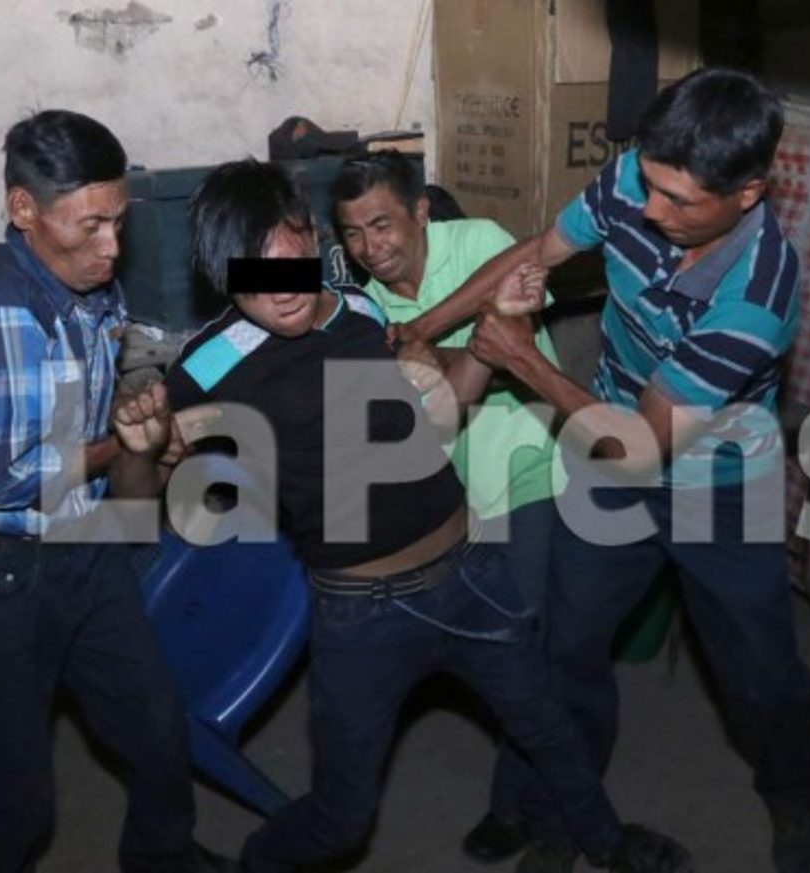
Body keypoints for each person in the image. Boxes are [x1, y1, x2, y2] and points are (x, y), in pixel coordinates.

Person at [158, 157, 692, 873]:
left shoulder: (363, 308)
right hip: (361, 612)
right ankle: (255, 863)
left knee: (548, 725)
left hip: (468, 574)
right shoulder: (205, 365)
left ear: (311, 238)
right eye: (247, 276)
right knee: (343, 817)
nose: (276, 291)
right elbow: (151, 483)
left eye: (284, 260)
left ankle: (607, 841)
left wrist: (491, 337)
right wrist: (141, 448)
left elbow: (430, 422)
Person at [404, 67, 810, 873]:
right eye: (650, 185)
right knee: (568, 647)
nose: (649, 210)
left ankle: (796, 793)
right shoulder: (640, 176)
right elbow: (539, 249)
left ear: (747, 193)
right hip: (607, 461)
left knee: (762, 676)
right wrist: (423, 329)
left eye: (679, 202)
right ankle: (570, 806)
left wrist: (524, 361)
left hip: (717, 487)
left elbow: (641, 444)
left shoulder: (759, 296)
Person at [0, 110, 232, 872]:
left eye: (119, 222)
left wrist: (145, 417)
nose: (112, 247)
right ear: (23, 210)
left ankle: (161, 858)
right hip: (4, 574)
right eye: (90, 225)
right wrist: (121, 444)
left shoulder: (87, 290)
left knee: (159, 729)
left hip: (84, 546)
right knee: (16, 801)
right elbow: (4, 478)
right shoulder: (5, 309)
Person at [329, 151, 570, 864]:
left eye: (383, 223)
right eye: (351, 233)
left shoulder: (482, 243)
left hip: (526, 472)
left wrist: (423, 332)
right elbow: (249, 277)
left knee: (525, 651)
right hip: (452, 499)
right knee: (493, 649)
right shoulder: (362, 296)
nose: (372, 247)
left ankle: (519, 805)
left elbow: (507, 308)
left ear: (421, 210)